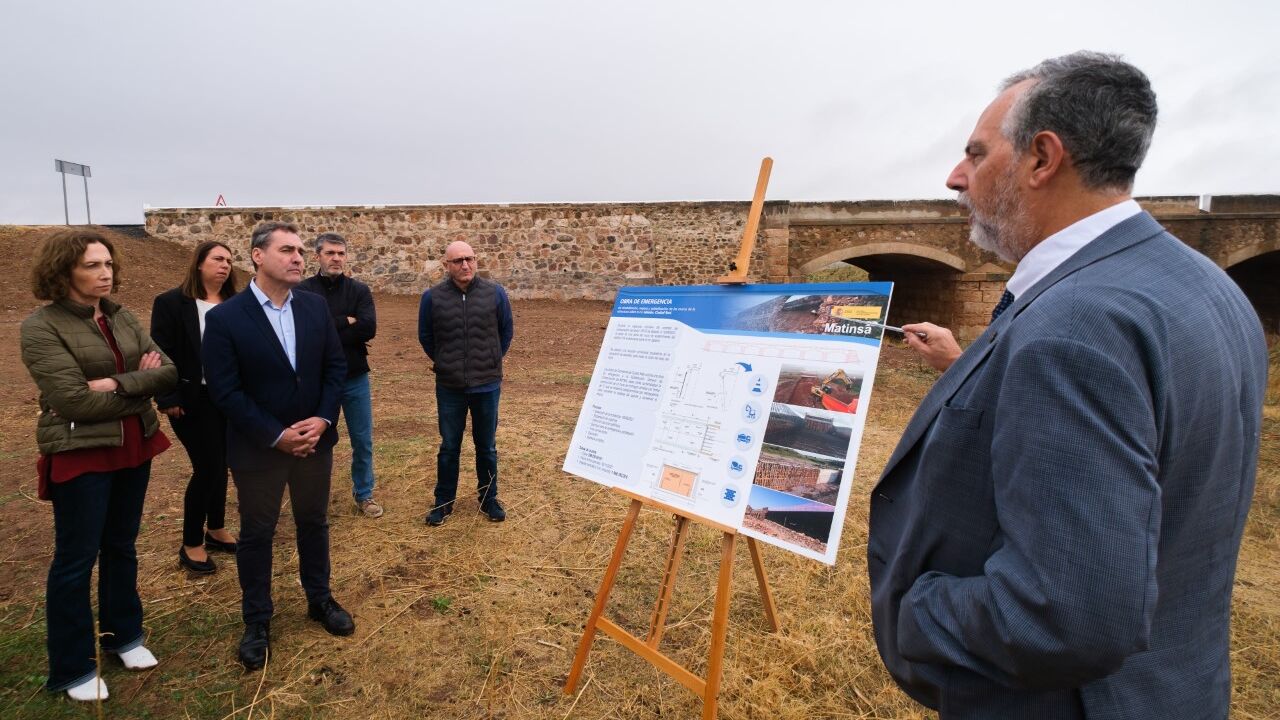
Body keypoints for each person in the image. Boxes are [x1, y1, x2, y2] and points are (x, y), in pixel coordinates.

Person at [868, 51, 1268, 718]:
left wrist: (914, 613)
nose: (955, 177)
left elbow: (1064, 614)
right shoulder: (1204, 284)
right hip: (1172, 689)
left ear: (1042, 158)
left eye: (977, 154)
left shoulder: (1074, 326)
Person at [20, 229, 177, 701]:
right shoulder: (41, 327)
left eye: (107, 263)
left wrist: (113, 383)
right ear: (63, 271)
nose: (104, 273)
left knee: (121, 545)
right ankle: (72, 667)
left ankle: (123, 636)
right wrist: (137, 385)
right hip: (80, 452)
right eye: (91, 265)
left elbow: (167, 371)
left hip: (133, 446)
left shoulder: (121, 315)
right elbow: (73, 402)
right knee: (76, 559)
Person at [202, 221, 354, 671]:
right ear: (257, 255)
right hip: (259, 449)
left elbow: (335, 368)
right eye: (287, 250)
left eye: (301, 251)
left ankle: (319, 599)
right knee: (257, 534)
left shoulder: (313, 306)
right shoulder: (225, 318)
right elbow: (225, 391)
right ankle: (257, 621)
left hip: (313, 443)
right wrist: (277, 435)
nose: (298, 258)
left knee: (314, 522)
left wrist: (322, 420)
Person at [151, 241, 240, 574]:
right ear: (199, 263)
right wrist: (168, 397)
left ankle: (215, 529)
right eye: (218, 258)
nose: (225, 265)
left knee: (223, 463)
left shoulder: (236, 303)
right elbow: (160, 353)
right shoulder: (171, 303)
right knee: (208, 467)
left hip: (228, 397)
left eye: (229, 260)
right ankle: (191, 543)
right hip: (191, 399)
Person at [417, 240, 514, 525]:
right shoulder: (432, 298)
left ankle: (489, 498)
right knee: (449, 446)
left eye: (469, 259)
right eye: (458, 260)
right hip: (450, 386)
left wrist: (491, 359)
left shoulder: (495, 293)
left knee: (487, 446)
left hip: (487, 385)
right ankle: (443, 502)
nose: (465, 265)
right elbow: (426, 336)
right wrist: (446, 362)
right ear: (446, 265)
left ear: (475, 260)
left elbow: (506, 331)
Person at [298, 233, 381, 518]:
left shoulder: (359, 290)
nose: (336, 258)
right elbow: (305, 333)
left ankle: (364, 493)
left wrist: (326, 330)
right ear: (317, 256)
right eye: (330, 253)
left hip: (354, 376)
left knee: (362, 439)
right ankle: (313, 497)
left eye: (341, 253)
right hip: (318, 380)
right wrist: (345, 320)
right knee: (316, 440)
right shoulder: (303, 291)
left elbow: (368, 328)